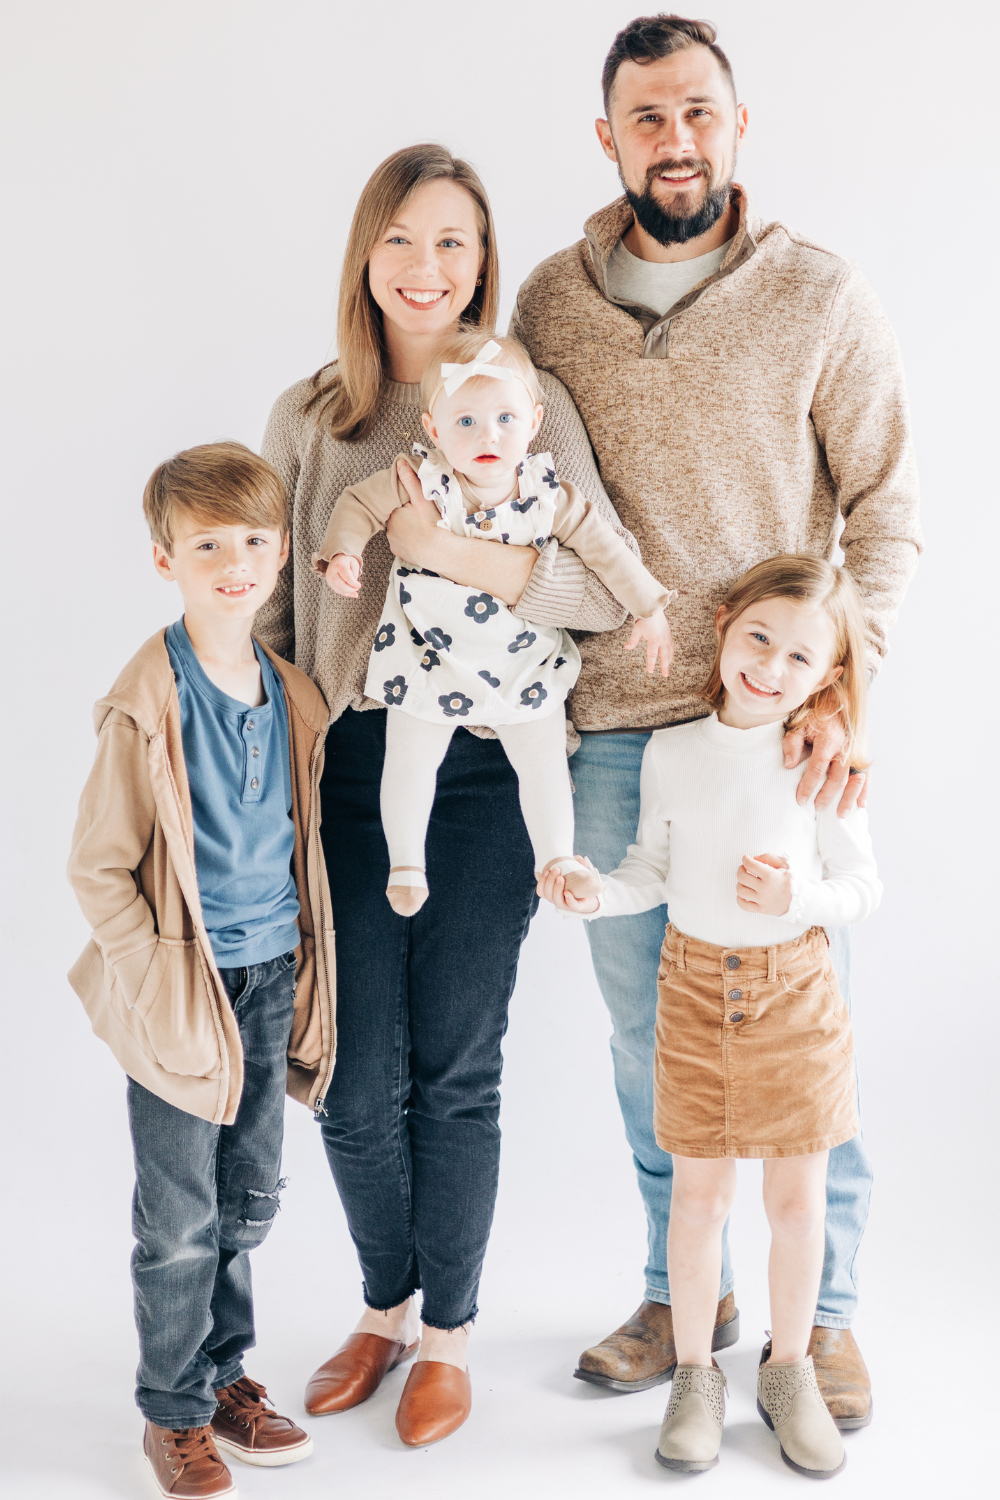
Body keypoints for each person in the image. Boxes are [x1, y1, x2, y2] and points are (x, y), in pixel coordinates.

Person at [512, 13, 921, 1423]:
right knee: (652, 1045)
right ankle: (686, 1290)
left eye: (697, 112)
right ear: (609, 136)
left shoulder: (820, 294)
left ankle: (831, 1317)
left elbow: (886, 507)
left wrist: (844, 690)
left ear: (737, 125)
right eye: (646, 117)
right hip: (618, 729)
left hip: (777, 735)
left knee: (816, 1033)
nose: (674, 140)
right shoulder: (551, 305)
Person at [254, 143, 639, 1448]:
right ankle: (382, 1305)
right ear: (367, 258)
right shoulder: (315, 417)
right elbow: (270, 616)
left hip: (493, 774)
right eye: (405, 241)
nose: (430, 269)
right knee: (353, 1081)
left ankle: (450, 1332)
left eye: (457, 243)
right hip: (353, 768)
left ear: (484, 261)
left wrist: (440, 546)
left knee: (454, 1065)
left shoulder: (527, 397)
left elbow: (592, 583)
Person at [540, 555, 881, 1478]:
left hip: (796, 997)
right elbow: (649, 873)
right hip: (692, 993)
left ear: (830, 676)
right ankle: (697, 1373)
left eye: (801, 659)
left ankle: (790, 1368)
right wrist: (592, 891)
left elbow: (862, 886)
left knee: (796, 1200)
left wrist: (798, 897)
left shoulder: (815, 759)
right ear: (725, 626)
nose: (771, 667)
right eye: (759, 638)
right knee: (698, 1197)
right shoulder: (672, 752)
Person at [66, 443, 333, 1498]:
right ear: (164, 559)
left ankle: (225, 1375)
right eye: (207, 543)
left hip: (272, 974)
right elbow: (96, 869)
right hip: (184, 989)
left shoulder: (293, 694)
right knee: (179, 1219)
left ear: (282, 552)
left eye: (255, 541)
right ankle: (173, 1414)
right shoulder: (146, 705)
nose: (236, 561)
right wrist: (154, 982)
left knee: (248, 1200)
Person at [316, 331, 674, 913]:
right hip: (427, 654)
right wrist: (344, 552)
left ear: (534, 422)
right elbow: (356, 504)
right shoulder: (421, 477)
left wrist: (649, 607)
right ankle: (406, 860)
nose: (489, 435)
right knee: (409, 758)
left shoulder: (547, 492)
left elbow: (607, 549)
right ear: (434, 429)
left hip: (519, 659)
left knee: (543, 762)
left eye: (506, 418)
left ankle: (555, 854)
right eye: (467, 422)